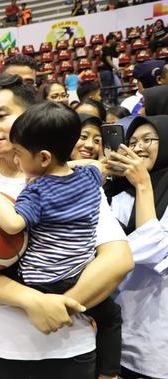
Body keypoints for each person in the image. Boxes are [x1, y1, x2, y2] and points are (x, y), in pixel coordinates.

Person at [0, 74, 133, 379]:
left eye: (1, 116)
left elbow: (118, 258)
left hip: (71, 348)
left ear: (31, 116)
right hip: (1, 349)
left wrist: (60, 307)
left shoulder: (73, 181)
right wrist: (33, 301)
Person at [106, 116, 168, 379]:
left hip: (157, 342)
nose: (139, 147)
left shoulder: (141, 188)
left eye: (148, 140)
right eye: (132, 141)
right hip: (120, 337)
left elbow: (154, 249)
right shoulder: (118, 195)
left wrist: (143, 184)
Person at [100, 33, 120, 105]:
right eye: (114, 39)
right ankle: (103, 103)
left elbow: (114, 58)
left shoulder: (111, 48)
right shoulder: (105, 48)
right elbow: (108, 60)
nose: (115, 41)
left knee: (113, 87)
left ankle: (115, 103)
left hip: (109, 71)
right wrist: (115, 68)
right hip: (105, 71)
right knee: (106, 88)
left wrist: (117, 50)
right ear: (110, 40)